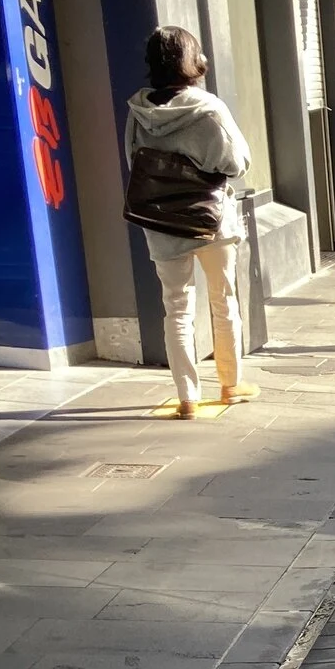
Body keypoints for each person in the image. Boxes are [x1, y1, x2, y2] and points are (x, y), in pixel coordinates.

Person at [124, 25, 253, 420]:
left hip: (161, 221)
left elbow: (135, 163)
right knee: (223, 300)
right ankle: (230, 385)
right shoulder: (208, 108)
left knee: (175, 307)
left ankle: (188, 398)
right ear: (193, 60)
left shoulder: (138, 111)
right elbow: (237, 163)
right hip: (210, 218)